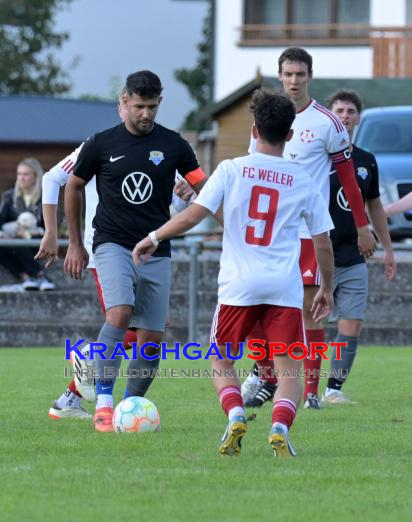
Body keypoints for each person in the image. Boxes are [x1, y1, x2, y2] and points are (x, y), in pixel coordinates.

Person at [133, 89, 335, 457]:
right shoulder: (303, 179)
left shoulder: (231, 169)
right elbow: (322, 242)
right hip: (284, 288)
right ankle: (278, 426)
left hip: (238, 286)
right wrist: (327, 288)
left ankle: (236, 413)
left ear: (254, 130)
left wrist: (153, 236)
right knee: (290, 368)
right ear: (289, 135)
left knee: (221, 358)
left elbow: (194, 214)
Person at [36, 89, 194, 420]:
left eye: (151, 107)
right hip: (106, 247)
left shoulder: (166, 149)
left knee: (141, 331)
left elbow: (173, 208)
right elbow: (54, 179)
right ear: (122, 106)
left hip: (149, 248)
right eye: (137, 107)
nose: (144, 114)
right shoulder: (96, 146)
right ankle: (90, 376)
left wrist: (186, 197)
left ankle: (72, 395)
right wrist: (58, 235)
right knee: (122, 322)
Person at [244, 47, 376, 410]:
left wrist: (363, 226)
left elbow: (348, 179)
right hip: (269, 232)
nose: (293, 80)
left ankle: (313, 392)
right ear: (280, 75)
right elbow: (251, 172)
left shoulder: (327, 123)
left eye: (300, 74)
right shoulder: (266, 119)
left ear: (310, 76)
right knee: (254, 303)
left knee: (307, 310)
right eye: (287, 74)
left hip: (306, 234)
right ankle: (266, 373)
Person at [322, 89, 396, 403]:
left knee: (352, 323)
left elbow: (375, 206)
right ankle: (278, 380)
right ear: (329, 116)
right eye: (339, 110)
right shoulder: (316, 156)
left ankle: (333, 390)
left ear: (358, 118)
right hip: (317, 256)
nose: (344, 116)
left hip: (354, 257)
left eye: (350, 111)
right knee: (302, 325)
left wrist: (388, 249)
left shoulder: (366, 161)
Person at [0, 158, 55, 291]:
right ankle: (26, 277)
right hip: (13, 237)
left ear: (35, 176)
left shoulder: (45, 197)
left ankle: (40, 276)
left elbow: (50, 226)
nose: (21, 178)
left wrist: (27, 233)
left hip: (38, 240)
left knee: (18, 242)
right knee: (4, 245)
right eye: (19, 174)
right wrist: (4, 234)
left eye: (25, 174)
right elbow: (1, 221)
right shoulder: (9, 196)